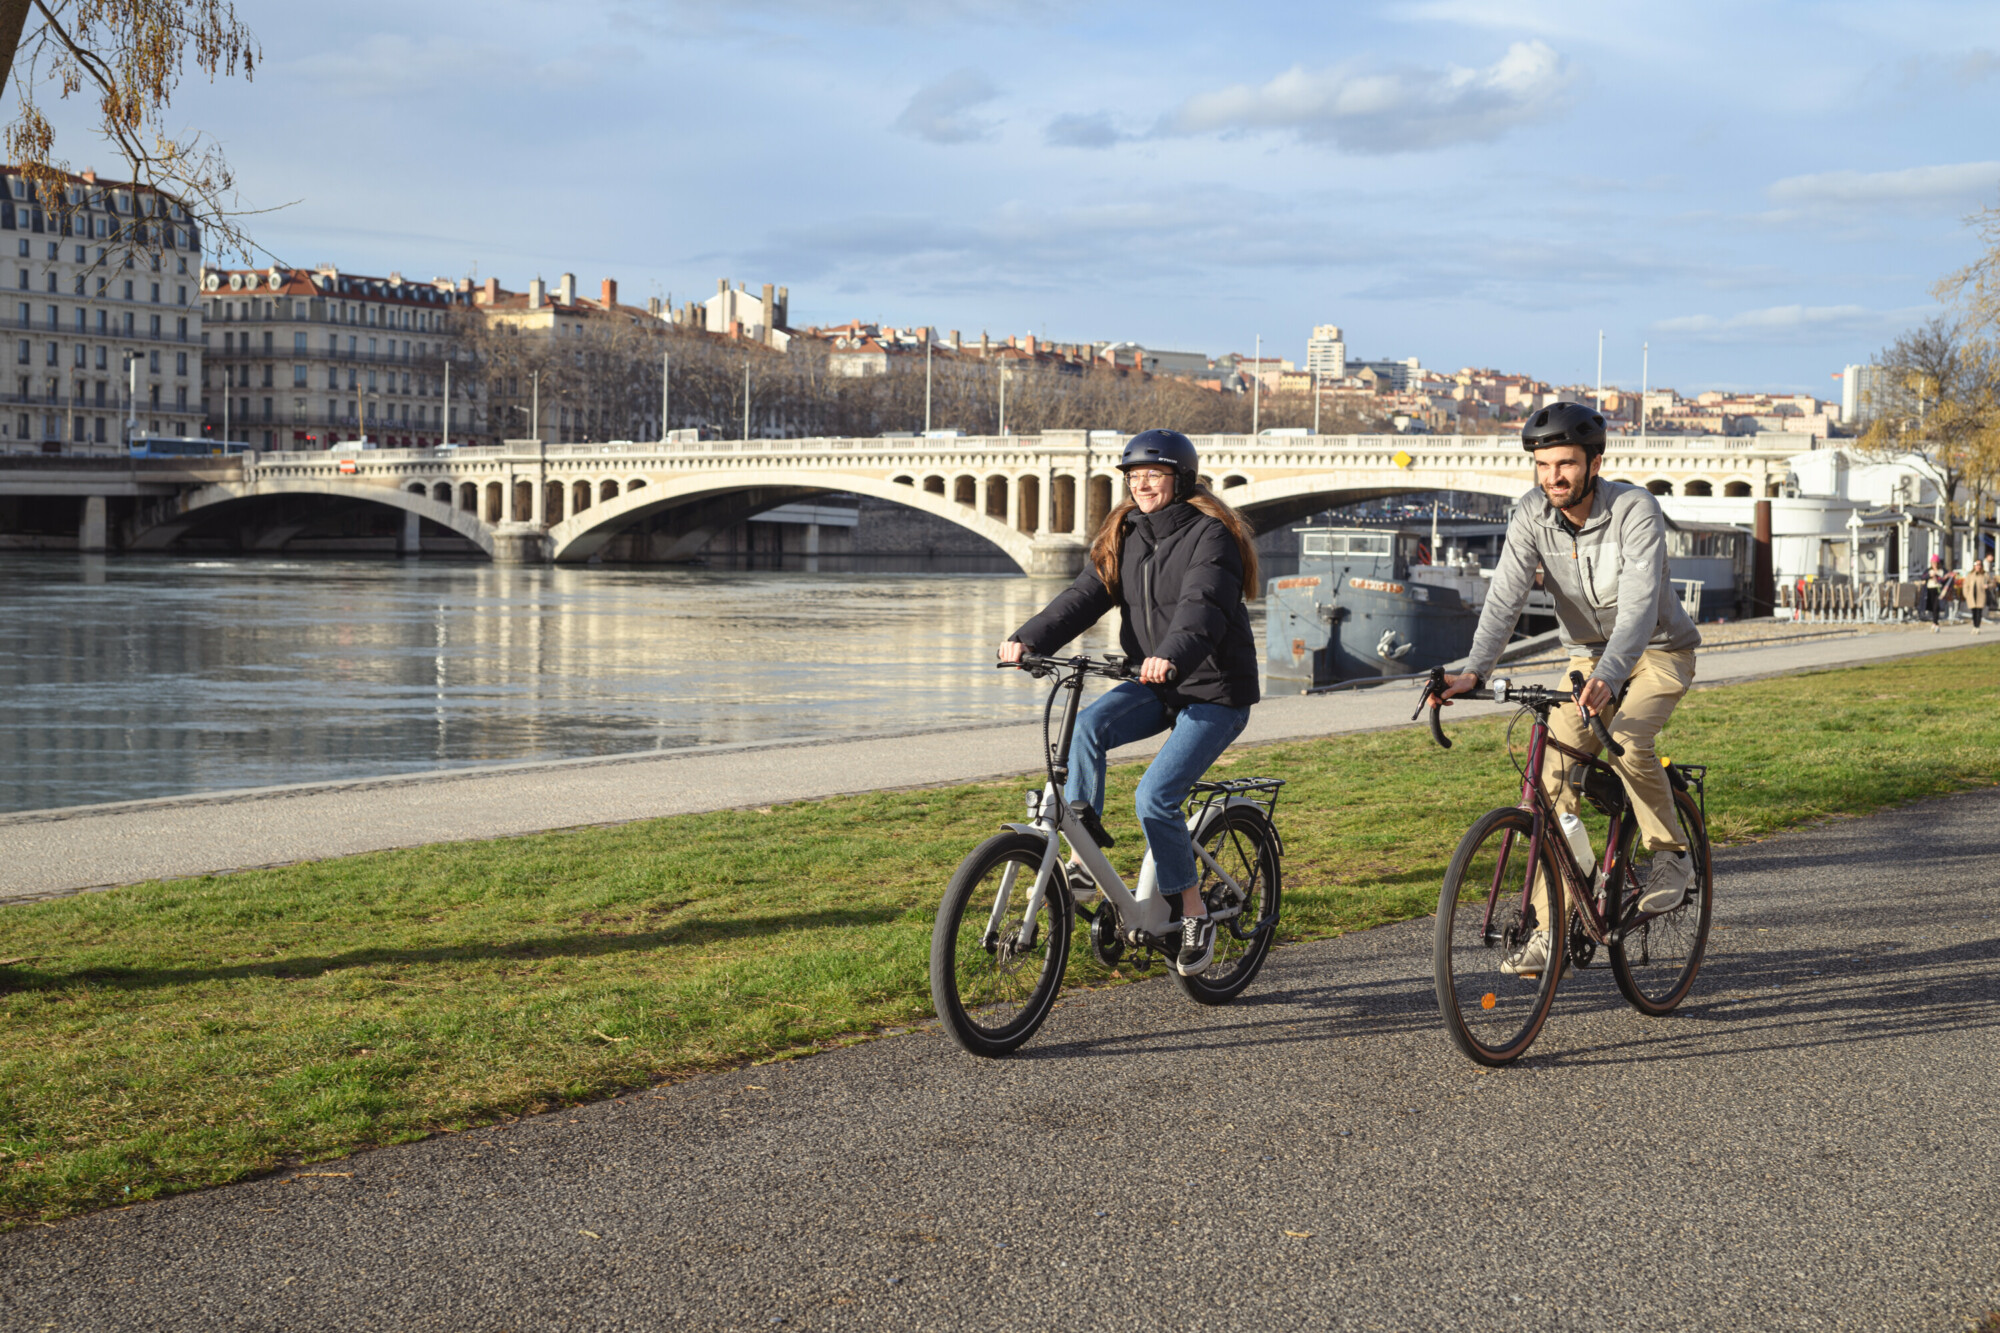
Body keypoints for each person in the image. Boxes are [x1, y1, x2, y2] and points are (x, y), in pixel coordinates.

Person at [1437, 402, 1702, 977]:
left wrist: (1611, 677)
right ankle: (1551, 927)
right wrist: (1475, 670)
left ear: (1594, 462)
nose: (1553, 476)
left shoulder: (1634, 508)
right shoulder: (1531, 514)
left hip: (1658, 650)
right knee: (1550, 780)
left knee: (1629, 741)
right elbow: (1506, 597)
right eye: (1542, 465)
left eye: (1565, 464)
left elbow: (1637, 605)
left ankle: (1671, 857)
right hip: (1586, 657)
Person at [998, 429, 1261, 976]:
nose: (1142, 485)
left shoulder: (1211, 536)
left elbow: (1202, 607)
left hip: (1214, 691)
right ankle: (1079, 860)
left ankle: (1192, 913)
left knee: (1155, 798)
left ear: (1180, 480)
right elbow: (1083, 597)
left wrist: (1168, 655)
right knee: (1090, 726)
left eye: (1155, 476)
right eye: (1134, 476)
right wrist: (1028, 640)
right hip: (1157, 684)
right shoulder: (1127, 533)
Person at [1923, 554, 1951, 632]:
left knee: (1936, 606)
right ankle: (1935, 622)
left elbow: (1944, 580)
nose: (1934, 564)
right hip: (1930, 589)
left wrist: (1943, 577)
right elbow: (1923, 577)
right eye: (1932, 563)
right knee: (1932, 607)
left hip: (1938, 590)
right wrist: (1930, 575)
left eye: (1935, 563)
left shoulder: (1942, 571)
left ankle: (1935, 623)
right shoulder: (1928, 570)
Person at [1965, 557, 1993, 633]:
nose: (1978, 566)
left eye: (1979, 565)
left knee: (1979, 612)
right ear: (1974, 566)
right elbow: (1966, 585)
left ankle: (1977, 627)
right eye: (1977, 564)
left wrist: (1988, 586)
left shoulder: (1984, 574)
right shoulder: (1970, 575)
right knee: (1973, 612)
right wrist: (1966, 595)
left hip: (1981, 595)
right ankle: (1974, 625)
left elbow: (1992, 583)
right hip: (1971, 596)